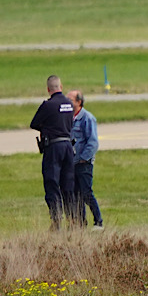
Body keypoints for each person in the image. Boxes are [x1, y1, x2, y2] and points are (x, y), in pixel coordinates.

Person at [29, 75, 78, 229]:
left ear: (48, 89)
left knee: (52, 182)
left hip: (54, 148)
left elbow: (34, 123)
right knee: (68, 184)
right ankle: (73, 218)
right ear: (61, 87)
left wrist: (47, 128)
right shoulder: (69, 105)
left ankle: (56, 220)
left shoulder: (48, 105)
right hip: (68, 147)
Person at [71, 91, 103, 229]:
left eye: (70, 100)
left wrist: (84, 158)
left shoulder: (87, 118)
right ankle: (80, 223)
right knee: (75, 194)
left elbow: (93, 142)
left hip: (83, 163)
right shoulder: (68, 118)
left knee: (86, 192)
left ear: (78, 102)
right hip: (72, 163)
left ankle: (98, 221)